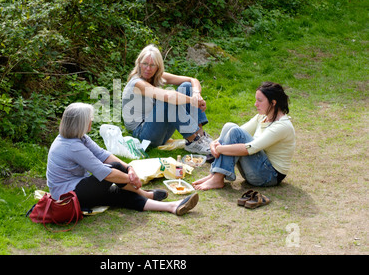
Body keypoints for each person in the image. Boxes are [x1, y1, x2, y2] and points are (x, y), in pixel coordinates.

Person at [46, 102, 199, 216]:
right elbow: (105, 173)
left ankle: (172, 206)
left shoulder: (80, 138)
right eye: (89, 119)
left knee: (119, 194)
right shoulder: (72, 146)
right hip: (68, 195)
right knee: (115, 170)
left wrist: (130, 169)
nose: (91, 122)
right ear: (81, 124)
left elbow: (103, 155)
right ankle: (144, 193)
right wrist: (130, 178)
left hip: (78, 188)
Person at [193, 82, 295, 190]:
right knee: (230, 126)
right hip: (256, 168)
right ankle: (215, 175)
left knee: (236, 132)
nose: (256, 104)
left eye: (260, 101)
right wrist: (214, 142)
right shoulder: (262, 117)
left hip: (269, 176)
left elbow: (249, 148)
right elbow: (236, 132)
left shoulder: (282, 126)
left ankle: (217, 178)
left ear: (273, 103)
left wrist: (219, 148)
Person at [122, 44, 212, 154]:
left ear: (158, 67)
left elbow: (192, 80)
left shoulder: (157, 76)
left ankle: (201, 138)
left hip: (159, 131)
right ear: (139, 63)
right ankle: (193, 140)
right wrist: (193, 100)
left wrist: (197, 94)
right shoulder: (137, 83)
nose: (148, 68)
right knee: (168, 100)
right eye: (145, 64)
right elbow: (169, 97)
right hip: (143, 135)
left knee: (186, 87)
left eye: (152, 65)